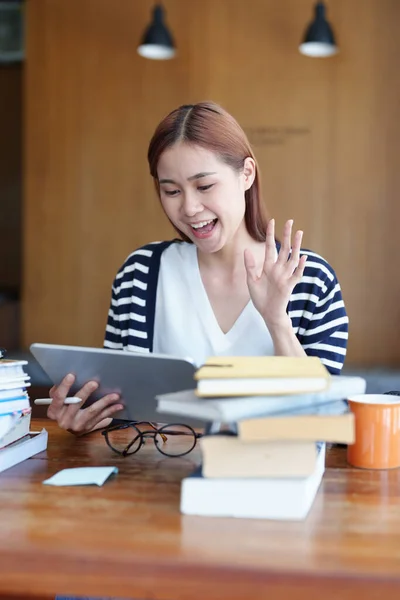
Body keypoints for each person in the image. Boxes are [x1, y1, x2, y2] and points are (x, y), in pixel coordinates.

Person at [47, 101, 348, 435]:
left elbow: (323, 422)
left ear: (246, 174)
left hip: (269, 478)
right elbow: (120, 411)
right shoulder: (139, 274)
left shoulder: (309, 279)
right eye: (171, 191)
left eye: (204, 186)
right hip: (154, 478)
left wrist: (277, 320)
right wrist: (86, 419)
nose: (189, 208)